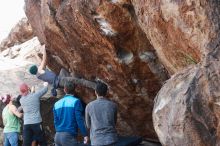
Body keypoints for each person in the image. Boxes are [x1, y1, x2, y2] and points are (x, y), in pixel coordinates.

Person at [28, 46, 96, 96]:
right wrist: (43, 50)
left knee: (62, 70)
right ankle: (95, 86)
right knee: (80, 81)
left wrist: (35, 55)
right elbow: (44, 59)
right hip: (61, 81)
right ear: (37, 68)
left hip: (59, 79)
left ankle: (71, 79)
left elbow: (41, 63)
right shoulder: (40, 70)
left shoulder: (38, 74)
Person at [53, 81, 89, 146]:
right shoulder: (76, 101)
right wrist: (85, 134)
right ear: (74, 90)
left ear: (64, 89)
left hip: (57, 136)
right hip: (68, 136)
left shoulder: (56, 104)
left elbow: (55, 122)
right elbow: (79, 119)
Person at [85, 81, 118, 146]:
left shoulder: (89, 106)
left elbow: (88, 125)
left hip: (96, 141)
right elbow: (114, 122)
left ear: (95, 92)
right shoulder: (113, 105)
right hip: (111, 139)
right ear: (106, 92)